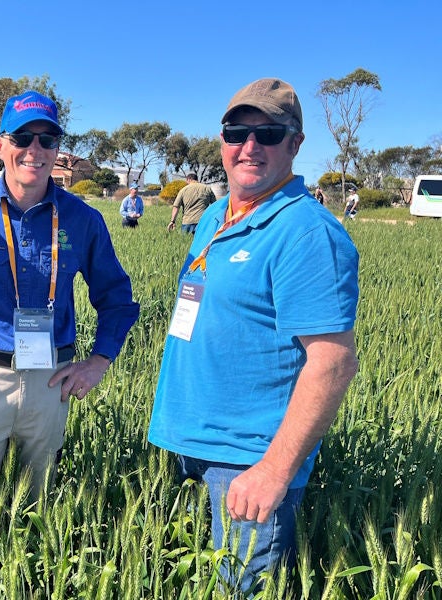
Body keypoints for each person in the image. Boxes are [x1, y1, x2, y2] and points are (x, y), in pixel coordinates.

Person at [148, 78, 359, 596]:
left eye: (267, 132)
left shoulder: (307, 233)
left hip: (248, 461)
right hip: (192, 441)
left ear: (295, 143)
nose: (249, 146)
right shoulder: (218, 215)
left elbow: (332, 364)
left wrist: (273, 470)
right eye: (236, 131)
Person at [0, 90, 139, 549]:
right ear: (0, 144)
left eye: (47, 139)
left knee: (36, 510)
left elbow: (118, 298)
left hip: (52, 380)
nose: (35, 149)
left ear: (58, 150)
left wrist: (98, 361)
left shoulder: (82, 218)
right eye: (23, 136)